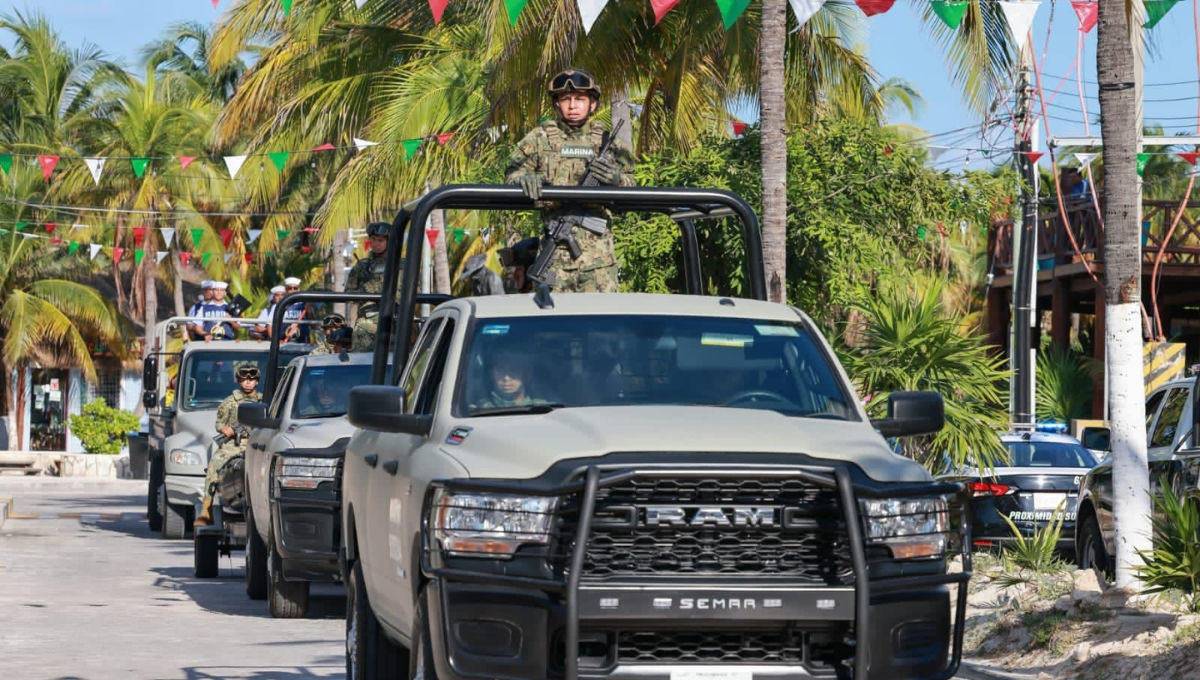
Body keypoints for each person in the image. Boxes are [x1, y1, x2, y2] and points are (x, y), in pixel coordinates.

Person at [505, 69, 635, 293]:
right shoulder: (539, 139)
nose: (573, 106)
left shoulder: (607, 143)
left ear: (592, 104)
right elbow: (512, 175)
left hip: (599, 260)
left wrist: (617, 180)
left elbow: (633, 187)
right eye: (566, 99)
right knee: (551, 322)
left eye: (580, 100)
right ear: (557, 104)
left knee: (601, 324)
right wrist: (524, 180)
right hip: (554, 256)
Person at [196, 365, 261, 526]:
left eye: (251, 379)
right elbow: (219, 423)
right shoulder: (230, 402)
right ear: (238, 380)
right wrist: (227, 430)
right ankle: (206, 509)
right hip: (234, 443)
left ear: (257, 382)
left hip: (256, 442)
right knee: (214, 465)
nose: (248, 382)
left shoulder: (263, 401)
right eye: (244, 379)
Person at [346, 221, 392, 351]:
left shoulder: (401, 266)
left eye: (380, 240)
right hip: (367, 323)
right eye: (373, 239)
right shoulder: (362, 267)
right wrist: (365, 290)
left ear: (389, 242)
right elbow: (348, 295)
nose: (375, 244)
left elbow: (413, 293)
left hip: (396, 321)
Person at [472, 350, 549, 410]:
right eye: (500, 370)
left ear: (526, 374)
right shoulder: (477, 410)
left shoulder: (545, 409)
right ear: (492, 374)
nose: (506, 378)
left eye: (513, 370)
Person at [280, 277, 310, 343]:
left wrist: (309, 310)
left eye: (295, 288)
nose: (293, 290)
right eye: (290, 288)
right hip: (283, 342)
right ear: (286, 290)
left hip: (301, 343)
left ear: (299, 289)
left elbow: (313, 325)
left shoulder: (305, 304)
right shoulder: (280, 304)